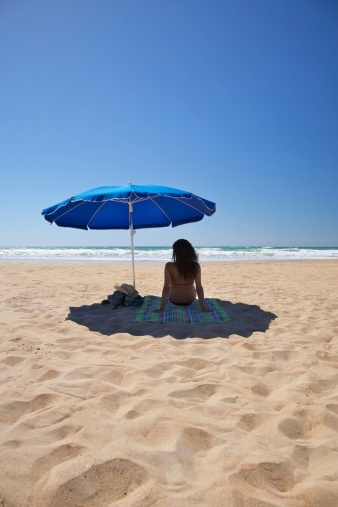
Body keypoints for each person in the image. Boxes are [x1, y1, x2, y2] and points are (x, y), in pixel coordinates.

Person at [155, 239, 209, 312]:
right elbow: (199, 288)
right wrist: (203, 308)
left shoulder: (169, 266)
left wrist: (162, 308)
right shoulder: (195, 266)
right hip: (190, 299)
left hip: (174, 299)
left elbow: (166, 288)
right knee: (193, 287)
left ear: (175, 252)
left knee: (171, 287)